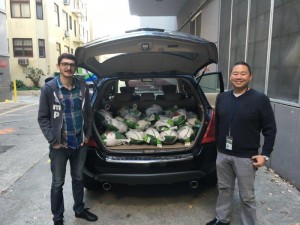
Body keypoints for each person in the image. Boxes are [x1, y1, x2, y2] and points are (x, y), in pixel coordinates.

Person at [206, 62, 277, 225]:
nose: (238, 77)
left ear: (250, 77)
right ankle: (222, 219)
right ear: (230, 76)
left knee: (247, 196)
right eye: (235, 73)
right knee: (224, 189)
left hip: (246, 157)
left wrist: (265, 154)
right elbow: (218, 124)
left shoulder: (260, 100)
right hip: (223, 154)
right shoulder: (222, 97)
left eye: (243, 73)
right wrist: (218, 147)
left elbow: (270, 129)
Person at [38, 53, 97, 225]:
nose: (68, 67)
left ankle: (79, 210)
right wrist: (53, 141)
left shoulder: (82, 86)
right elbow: (43, 118)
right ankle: (58, 218)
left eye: (71, 64)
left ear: (75, 67)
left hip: (79, 144)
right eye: (64, 64)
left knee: (78, 179)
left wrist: (87, 136)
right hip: (60, 146)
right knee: (57, 183)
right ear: (58, 67)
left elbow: (88, 113)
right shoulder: (49, 89)